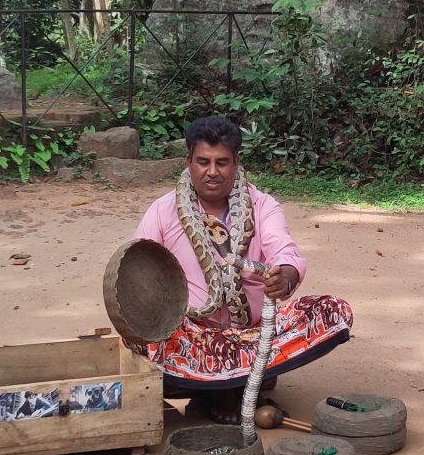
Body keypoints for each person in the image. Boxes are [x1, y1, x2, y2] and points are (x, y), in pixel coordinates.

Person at [131, 115, 353, 423]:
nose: (212, 172)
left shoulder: (262, 206)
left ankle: (226, 380)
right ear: (188, 162)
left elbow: (285, 252)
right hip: (192, 337)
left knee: (331, 312)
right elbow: (137, 270)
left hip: (251, 334)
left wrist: (285, 276)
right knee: (137, 333)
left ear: (236, 162)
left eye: (222, 162)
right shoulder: (162, 210)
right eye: (202, 162)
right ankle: (240, 380)